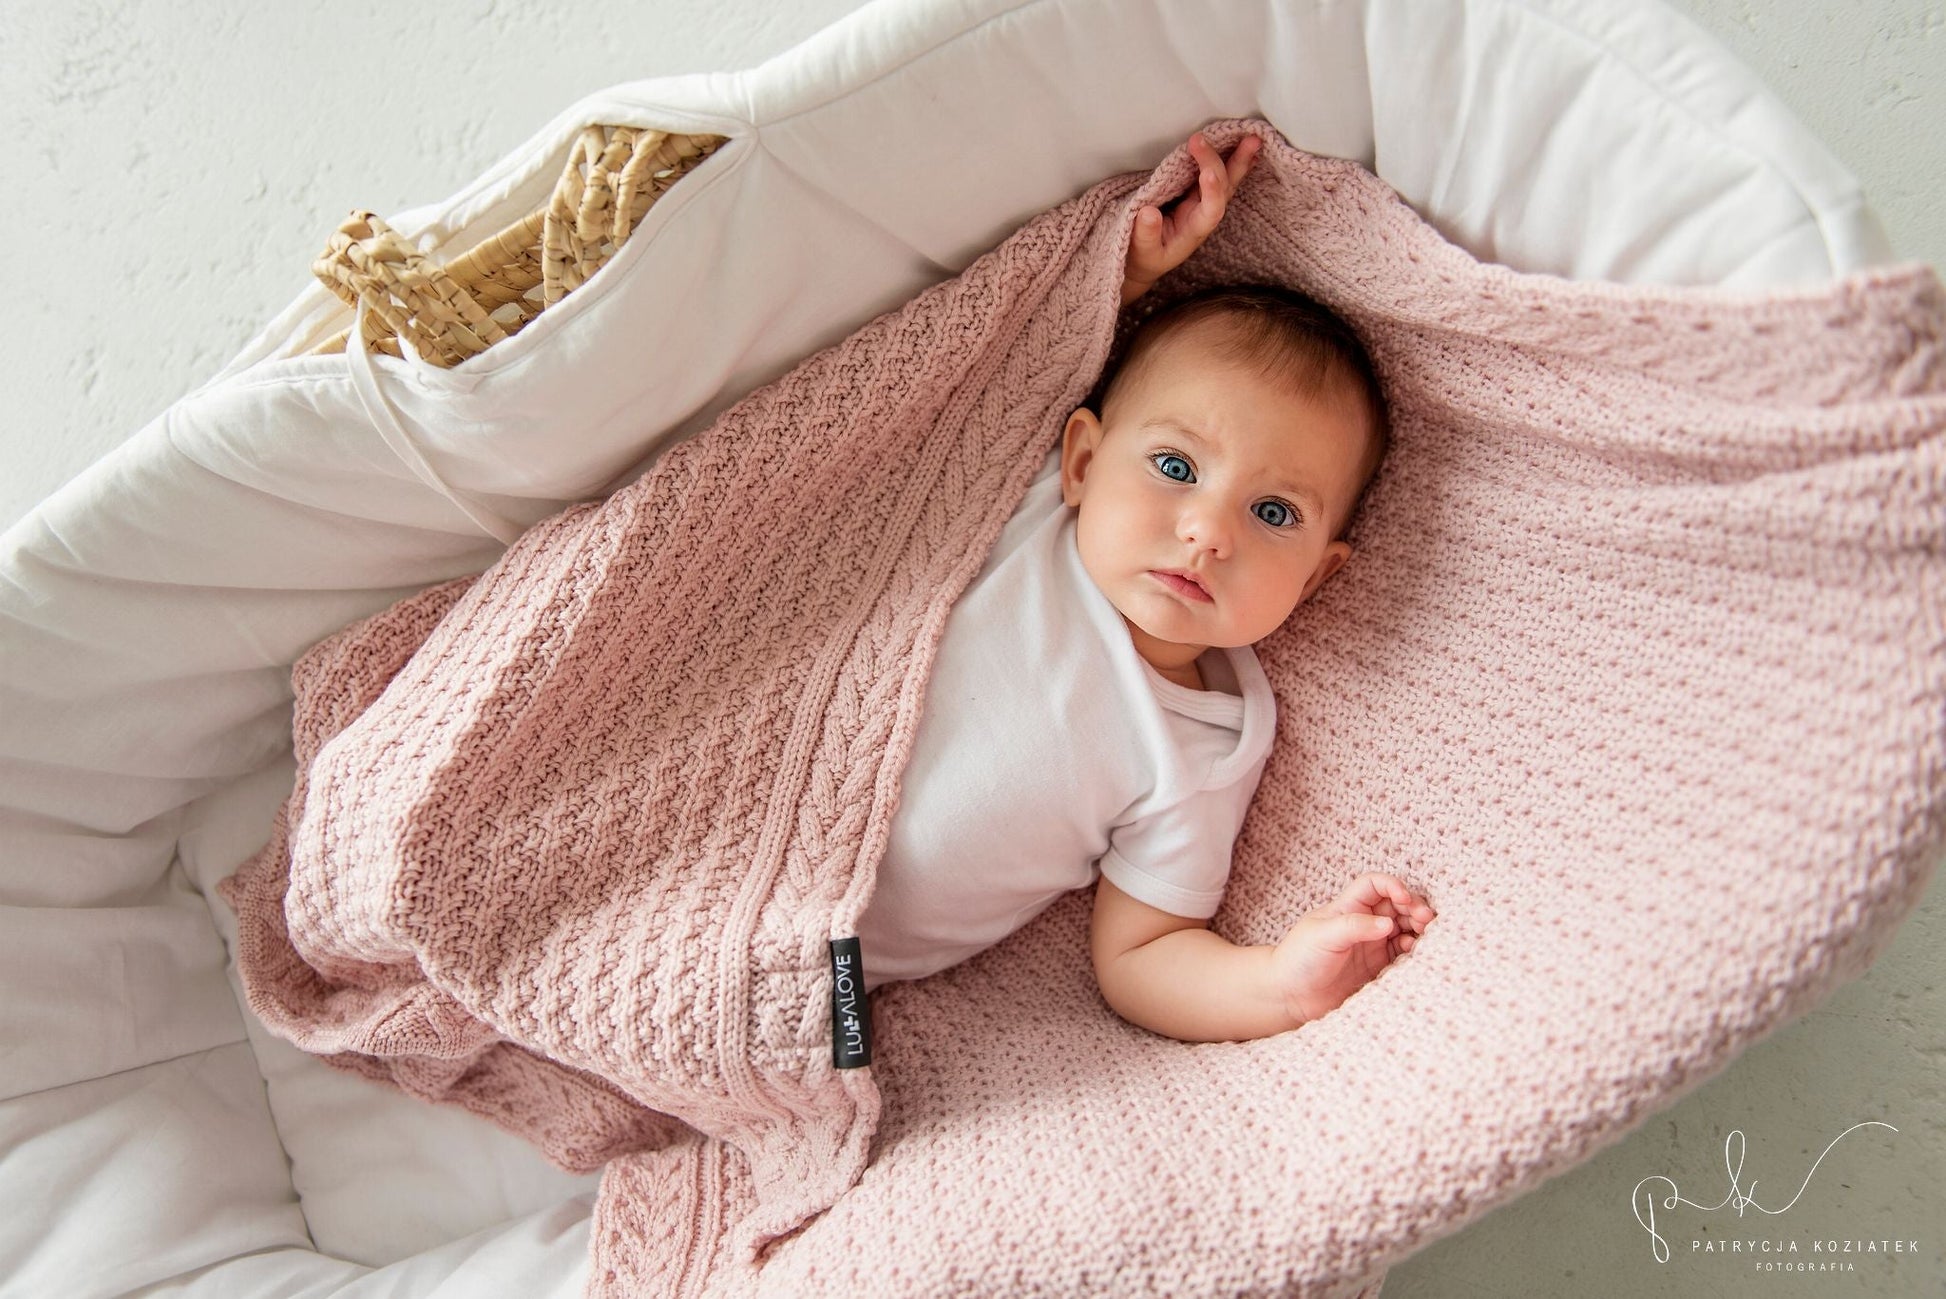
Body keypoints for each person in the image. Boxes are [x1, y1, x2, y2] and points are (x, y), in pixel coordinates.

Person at [852, 129, 1436, 1042]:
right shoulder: (1035, 509)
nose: (1207, 531)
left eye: (1274, 513)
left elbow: (1145, 953)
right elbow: (979, 376)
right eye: (1174, 464)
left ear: (1318, 577)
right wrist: (1114, 276)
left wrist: (1283, 981)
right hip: (753, 806)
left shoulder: (1207, 743)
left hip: (831, 972)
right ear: (1085, 459)